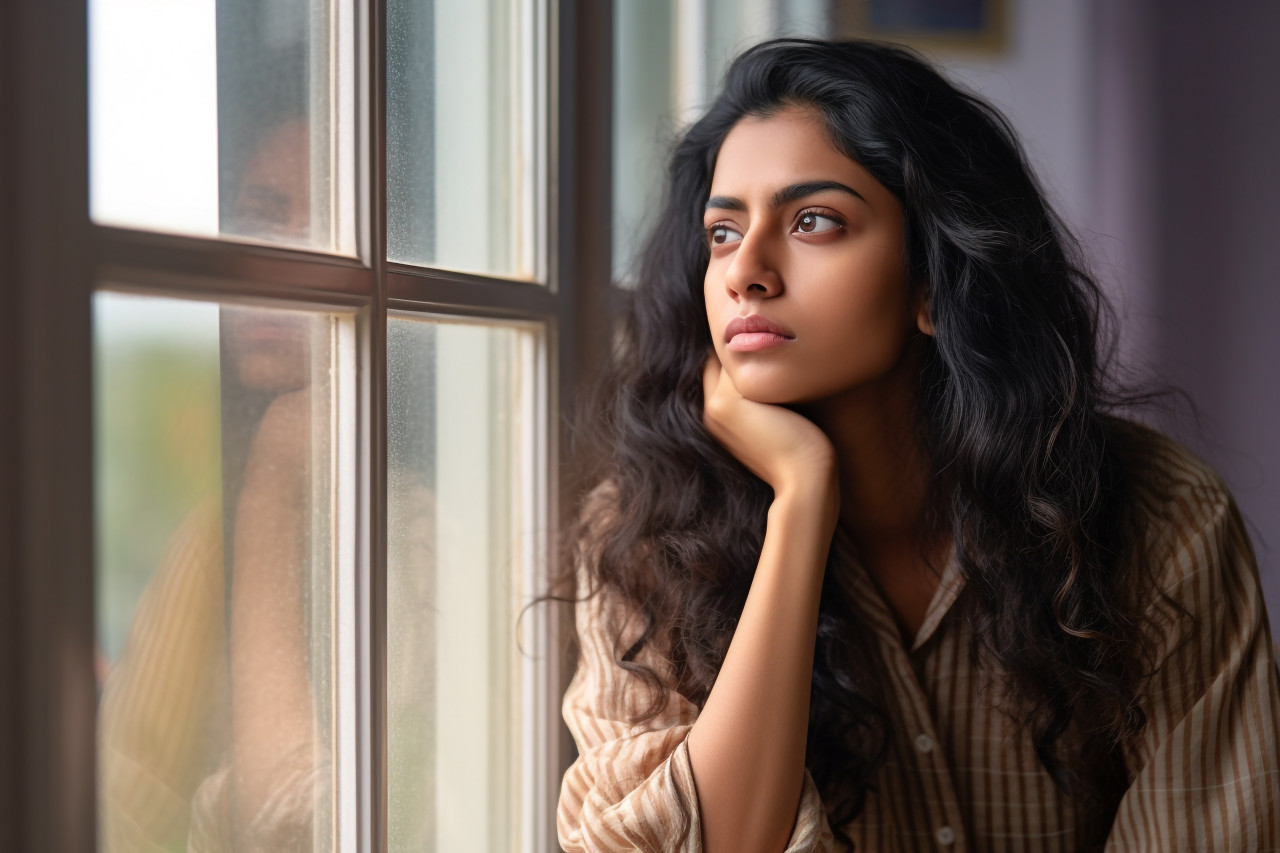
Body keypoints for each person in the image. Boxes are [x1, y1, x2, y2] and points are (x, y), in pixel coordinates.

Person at [556, 38, 1280, 853]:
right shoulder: (645, 533)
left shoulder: (1162, 515)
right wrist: (802, 499)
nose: (744, 272)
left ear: (934, 279)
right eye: (722, 233)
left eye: (813, 221)